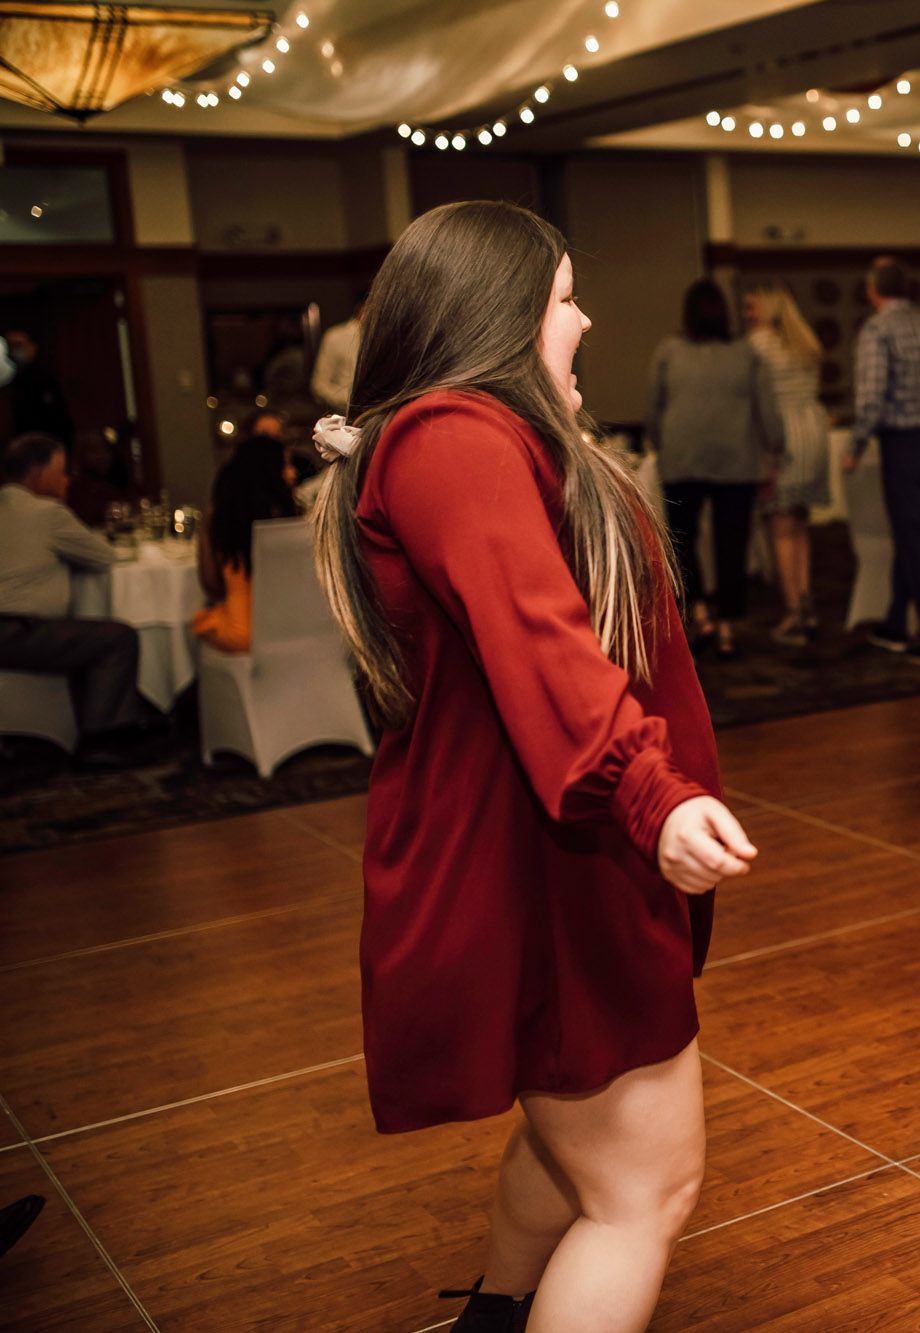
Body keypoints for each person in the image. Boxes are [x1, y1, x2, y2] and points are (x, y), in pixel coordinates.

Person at [308, 200, 756, 1333]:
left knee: (576, 1152)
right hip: (552, 865)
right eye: (562, 299)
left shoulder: (453, 435)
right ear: (499, 316)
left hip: (552, 853)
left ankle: (495, 1315)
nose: (585, 317)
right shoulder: (453, 435)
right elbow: (535, 629)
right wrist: (648, 792)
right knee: (641, 1192)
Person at [646, 278, 783, 660]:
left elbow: (653, 405)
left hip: (682, 457)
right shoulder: (745, 353)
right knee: (732, 544)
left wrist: (658, 442)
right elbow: (766, 410)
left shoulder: (669, 351)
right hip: (737, 460)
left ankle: (700, 612)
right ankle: (726, 627)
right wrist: (776, 448)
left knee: (683, 540)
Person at [0, 431, 149, 763]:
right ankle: (103, 739)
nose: (68, 480)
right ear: (39, 474)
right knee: (118, 638)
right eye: (61, 471)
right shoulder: (47, 514)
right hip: (15, 633)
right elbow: (104, 556)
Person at [849, 256, 920, 664]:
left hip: (902, 442)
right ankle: (896, 623)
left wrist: (856, 446)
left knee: (914, 537)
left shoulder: (877, 329)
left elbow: (873, 396)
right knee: (911, 530)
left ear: (874, 289)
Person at [743, 281, 831, 645]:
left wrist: (766, 456)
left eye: (751, 307)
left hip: (783, 437)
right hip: (813, 432)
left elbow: (759, 406)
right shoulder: (804, 342)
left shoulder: (757, 346)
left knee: (778, 526)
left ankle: (793, 612)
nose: (746, 315)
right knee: (798, 524)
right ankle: (806, 602)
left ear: (767, 309)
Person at [191, 435, 298, 653]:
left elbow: (212, 586)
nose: (292, 472)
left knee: (204, 620)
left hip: (243, 635)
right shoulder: (293, 519)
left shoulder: (220, 519)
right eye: (285, 464)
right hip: (290, 629)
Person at [5, 332, 74, 445]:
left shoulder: (43, 377)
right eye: (10, 346)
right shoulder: (17, 379)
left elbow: (57, 417)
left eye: (18, 345)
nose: (13, 350)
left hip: (48, 444)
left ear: (32, 347)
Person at [311, 297, 365, 411]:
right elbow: (319, 385)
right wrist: (350, 399)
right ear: (360, 307)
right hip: (343, 413)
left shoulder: (386, 336)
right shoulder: (336, 336)